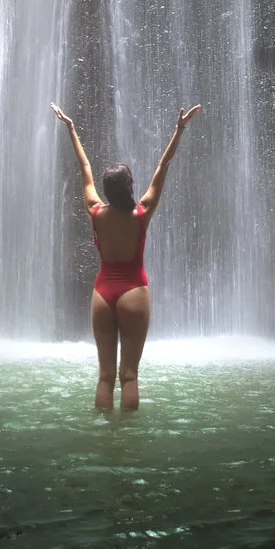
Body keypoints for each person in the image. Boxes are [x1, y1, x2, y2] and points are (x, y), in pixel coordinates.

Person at [50, 101, 200, 411]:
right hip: (134, 289)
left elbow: (85, 168)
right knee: (128, 376)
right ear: (130, 186)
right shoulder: (141, 213)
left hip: (102, 292)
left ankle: (104, 436)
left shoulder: (95, 211)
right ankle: (129, 443)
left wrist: (71, 128)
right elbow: (163, 166)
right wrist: (179, 130)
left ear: (105, 190)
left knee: (104, 377)